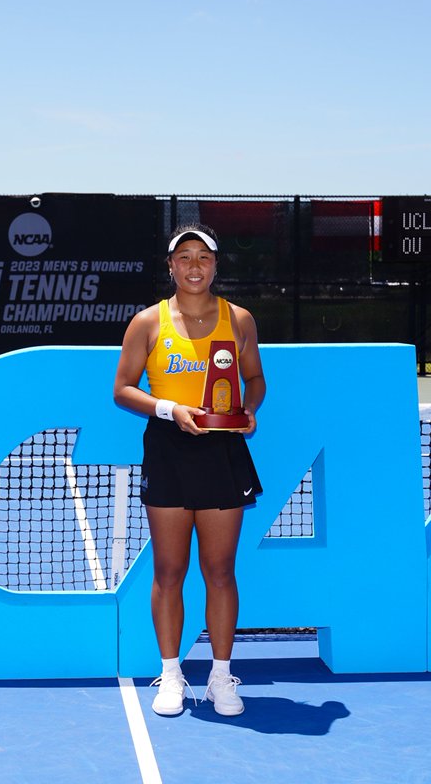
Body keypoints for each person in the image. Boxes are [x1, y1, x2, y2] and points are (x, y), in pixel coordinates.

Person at [112, 223, 266, 717]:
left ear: (216, 265)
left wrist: (249, 411)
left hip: (223, 454)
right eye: (185, 258)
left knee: (220, 570)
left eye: (204, 257)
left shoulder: (239, 319)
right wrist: (170, 410)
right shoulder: (147, 323)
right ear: (171, 266)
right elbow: (123, 390)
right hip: (168, 451)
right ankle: (172, 673)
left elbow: (255, 378)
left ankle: (221, 676)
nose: (195, 266)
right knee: (169, 570)